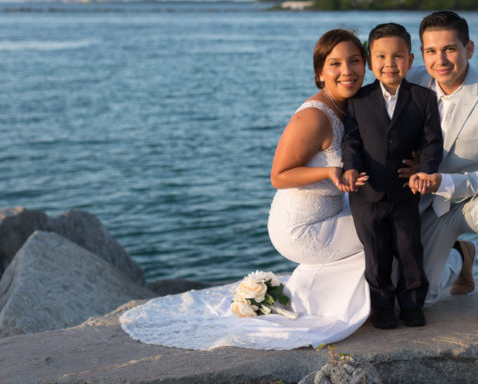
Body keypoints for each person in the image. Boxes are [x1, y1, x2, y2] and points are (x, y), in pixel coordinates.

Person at [120, 29, 371, 350]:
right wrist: (329, 171)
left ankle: (325, 303)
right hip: (301, 227)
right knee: (380, 229)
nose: (347, 71)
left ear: (365, 64)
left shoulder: (349, 105)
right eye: (335, 63)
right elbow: (279, 176)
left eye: (354, 61)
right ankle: (353, 308)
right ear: (320, 72)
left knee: (378, 221)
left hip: (327, 215)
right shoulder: (314, 117)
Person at [406, 11, 478, 330]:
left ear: (468, 48)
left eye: (450, 49)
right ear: (421, 54)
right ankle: (461, 256)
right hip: (433, 204)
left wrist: (442, 181)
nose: (440, 59)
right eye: (431, 51)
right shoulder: (412, 81)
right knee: (418, 299)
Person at [341, 23, 442, 329]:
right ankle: (382, 307)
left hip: (404, 191)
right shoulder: (358, 99)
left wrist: (425, 169)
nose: (389, 63)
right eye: (381, 57)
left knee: (409, 249)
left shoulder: (423, 98)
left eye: (398, 56)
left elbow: (432, 141)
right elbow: (351, 140)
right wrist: (350, 167)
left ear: (411, 60)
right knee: (376, 252)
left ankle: (412, 303)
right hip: (366, 193)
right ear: (371, 61)